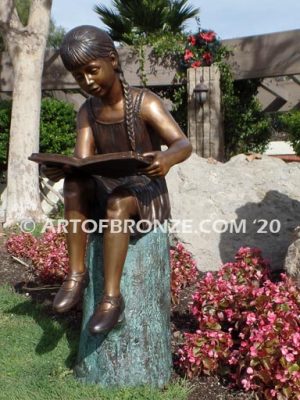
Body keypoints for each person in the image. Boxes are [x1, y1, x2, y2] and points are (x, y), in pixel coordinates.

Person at [44, 25, 192, 335]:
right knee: (74, 186)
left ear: (112, 60)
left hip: (145, 189)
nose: (87, 81)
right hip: (106, 182)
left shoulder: (144, 102)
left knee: (117, 203)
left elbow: (182, 144)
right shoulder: (88, 111)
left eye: (92, 71)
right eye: (78, 76)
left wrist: (165, 158)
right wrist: (66, 169)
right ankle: (76, 274)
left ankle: (111, 299)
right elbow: (83, 161)